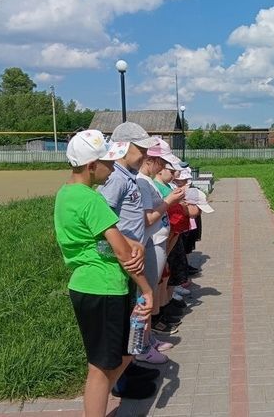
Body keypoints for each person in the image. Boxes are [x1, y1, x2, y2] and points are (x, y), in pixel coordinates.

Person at [53, 130, 153, 416]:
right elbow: (121, 253)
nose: (113, 166)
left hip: (87, 285)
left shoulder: (66, 194)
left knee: (118, 355)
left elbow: (95, 239)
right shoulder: (92, 199)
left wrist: (130, 242)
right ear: (91, 166)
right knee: (100, 368)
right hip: (104, 287)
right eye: (108, 161)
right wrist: (146, 289)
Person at [97, 121, 162, 398]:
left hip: (131, 256)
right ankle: (119, 382)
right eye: (141, 148)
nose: (145, 154)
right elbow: (103, 219)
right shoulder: (115, 178)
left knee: (133, 317)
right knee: (124, 321)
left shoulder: (128, 176)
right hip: (120, 259)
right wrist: (123, 247)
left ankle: (130, 366)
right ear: (124, 146)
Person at [136, 139, 186, 361]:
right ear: (152, 160)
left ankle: (148, 339)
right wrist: (169, 201)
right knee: (145, 297)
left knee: (151, 292)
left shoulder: (146, 181)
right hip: (151, 242)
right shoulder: (143, 182)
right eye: (161, 163)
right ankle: (141, 346)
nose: (162, 167)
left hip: (157, 242)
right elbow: (147, 219)